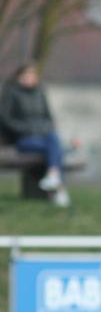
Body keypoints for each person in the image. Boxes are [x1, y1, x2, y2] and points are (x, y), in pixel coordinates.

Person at [0, 64, 70, 207]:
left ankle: (53, 178)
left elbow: (48, 117)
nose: (30, 78)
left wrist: (45, 128)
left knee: (53, 138)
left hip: (42, 137)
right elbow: (5, 118)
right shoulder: (11, 93)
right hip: (23, 139)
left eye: (32, 75)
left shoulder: (39, 92)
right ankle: (58, 190)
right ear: (19, 77)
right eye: (26, 75)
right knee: (55, 149)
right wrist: (25, 129)